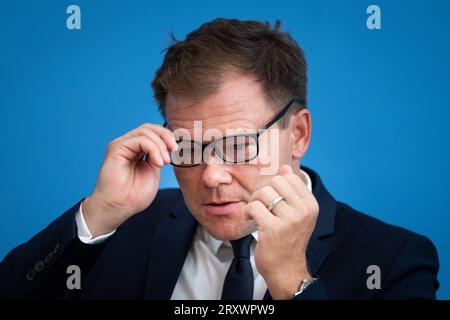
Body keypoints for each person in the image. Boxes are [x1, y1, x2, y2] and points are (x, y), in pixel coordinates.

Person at [0, 18, 439, 300]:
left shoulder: (394, 259)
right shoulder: (125, 227)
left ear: (299, 134)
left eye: (237, 145)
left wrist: (294, 283)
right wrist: (98, 215)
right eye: (188, 146)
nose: (210, 176)